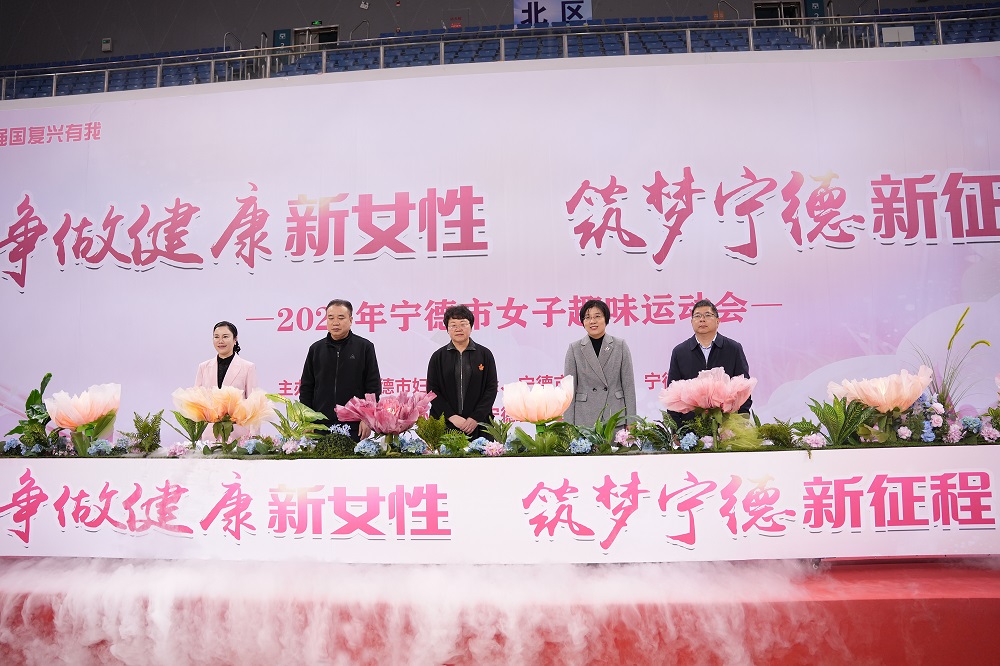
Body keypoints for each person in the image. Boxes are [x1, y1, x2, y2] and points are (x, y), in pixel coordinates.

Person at [299, 299, 381, 441]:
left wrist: (367, 418)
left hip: (354, 425)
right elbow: (307, 387)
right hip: (320, 425)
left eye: (341, 318)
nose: (335, 322)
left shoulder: (364, 347)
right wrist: (307, 419)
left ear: (350, 320)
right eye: (331, 318)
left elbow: (373, 387)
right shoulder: (316, 349)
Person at [666, 298, 752, 423]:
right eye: (697, 316)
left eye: (707, 315)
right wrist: (677, 428)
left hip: (727, 424)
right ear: (691, 322)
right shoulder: (680, 352)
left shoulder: (733, 348)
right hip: (690, 426)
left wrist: (741, 423)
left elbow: (744, 390)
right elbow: (672, 393)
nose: (702, 319)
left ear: (718, 321)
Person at [426, 305, 499, 440]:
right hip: (444, 423)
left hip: (479, 425)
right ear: (447, 329)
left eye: (463, 324)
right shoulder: (438, 356)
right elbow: (432, 390)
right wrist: (452, 416)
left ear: (471, 327)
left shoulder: (484, 354)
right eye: (453, 325)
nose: (458, 329)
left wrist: (475, 417)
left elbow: (491, 388)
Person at [563, 299, 636, 429]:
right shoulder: (574, 349)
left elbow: (628, 386)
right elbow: (569, 391)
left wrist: (631, 422)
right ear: (583, 322)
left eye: (597, 316)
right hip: (585, 417)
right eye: (587, 317)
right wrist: (568, 426)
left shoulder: (620, 345)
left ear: (606, 319)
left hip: (614, 415)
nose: (592, 321)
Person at [194, 321, 258, 397]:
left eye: (225, 337)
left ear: (235, 339)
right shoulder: (203, 367)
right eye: (216, 337)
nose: (220, 341)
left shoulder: (248, 367)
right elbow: (196, 398)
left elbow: (253, 400)